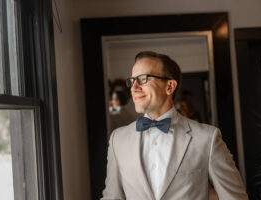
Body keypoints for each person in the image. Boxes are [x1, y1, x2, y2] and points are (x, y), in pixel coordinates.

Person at [101, 51, 248, 200]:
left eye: (143, 79)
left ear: (170, 86)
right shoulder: (118, 140)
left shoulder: (207, 139)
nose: (134, 88)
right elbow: (111, 197)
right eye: (132, 81)